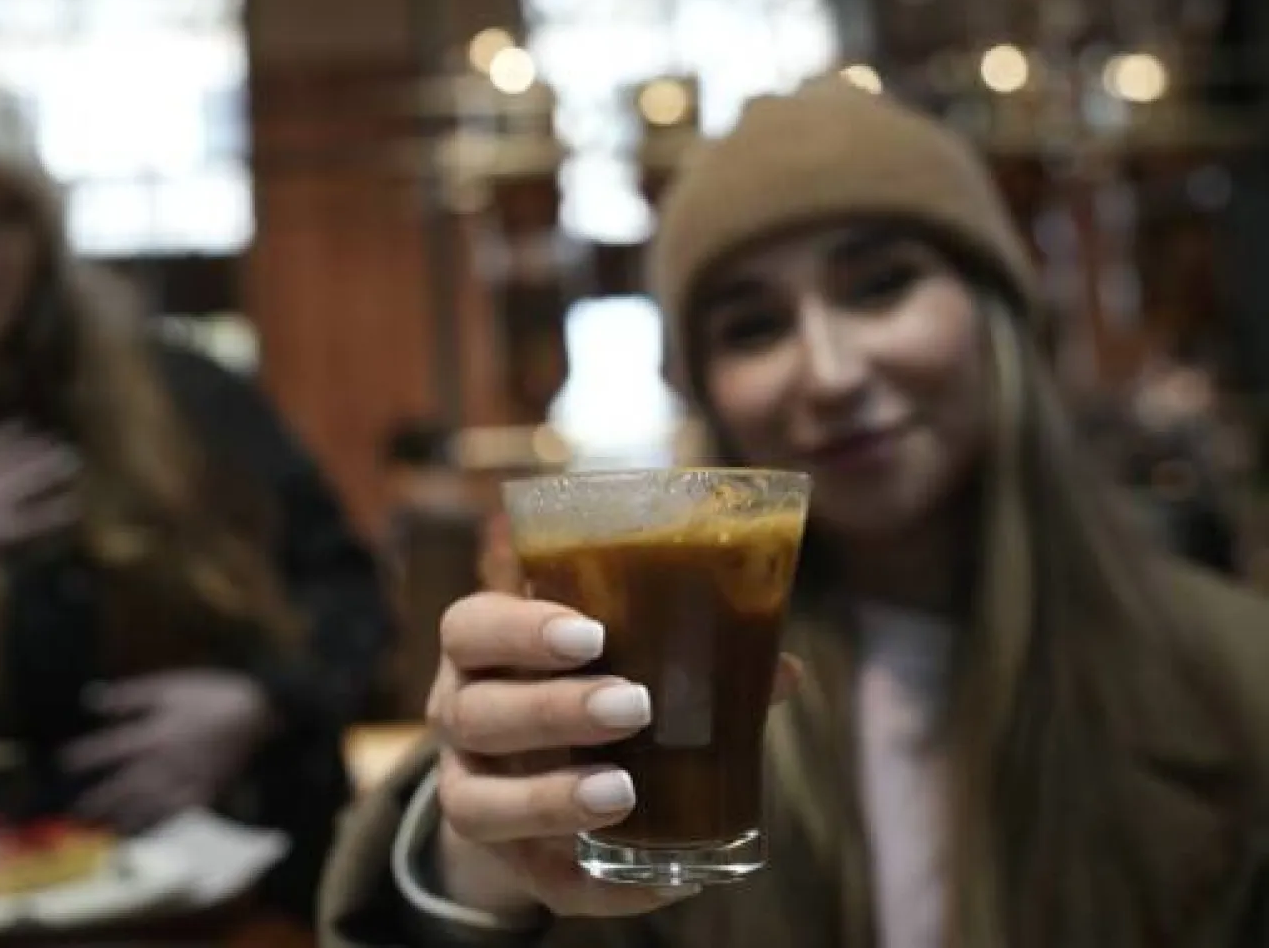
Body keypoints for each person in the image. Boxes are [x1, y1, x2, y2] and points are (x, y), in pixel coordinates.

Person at [318, 78, 1269, 947]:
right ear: (712, 395)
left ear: (995, 308)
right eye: (753, 326)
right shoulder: (672, 693)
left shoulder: (1238, 680)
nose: (832, 372)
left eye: (880, 283)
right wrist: (479, 876)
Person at [0, 0, 391, 920]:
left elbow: (351, 596)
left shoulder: (181, 392)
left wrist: (258, 700)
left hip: (235, 902)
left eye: (3, 216)